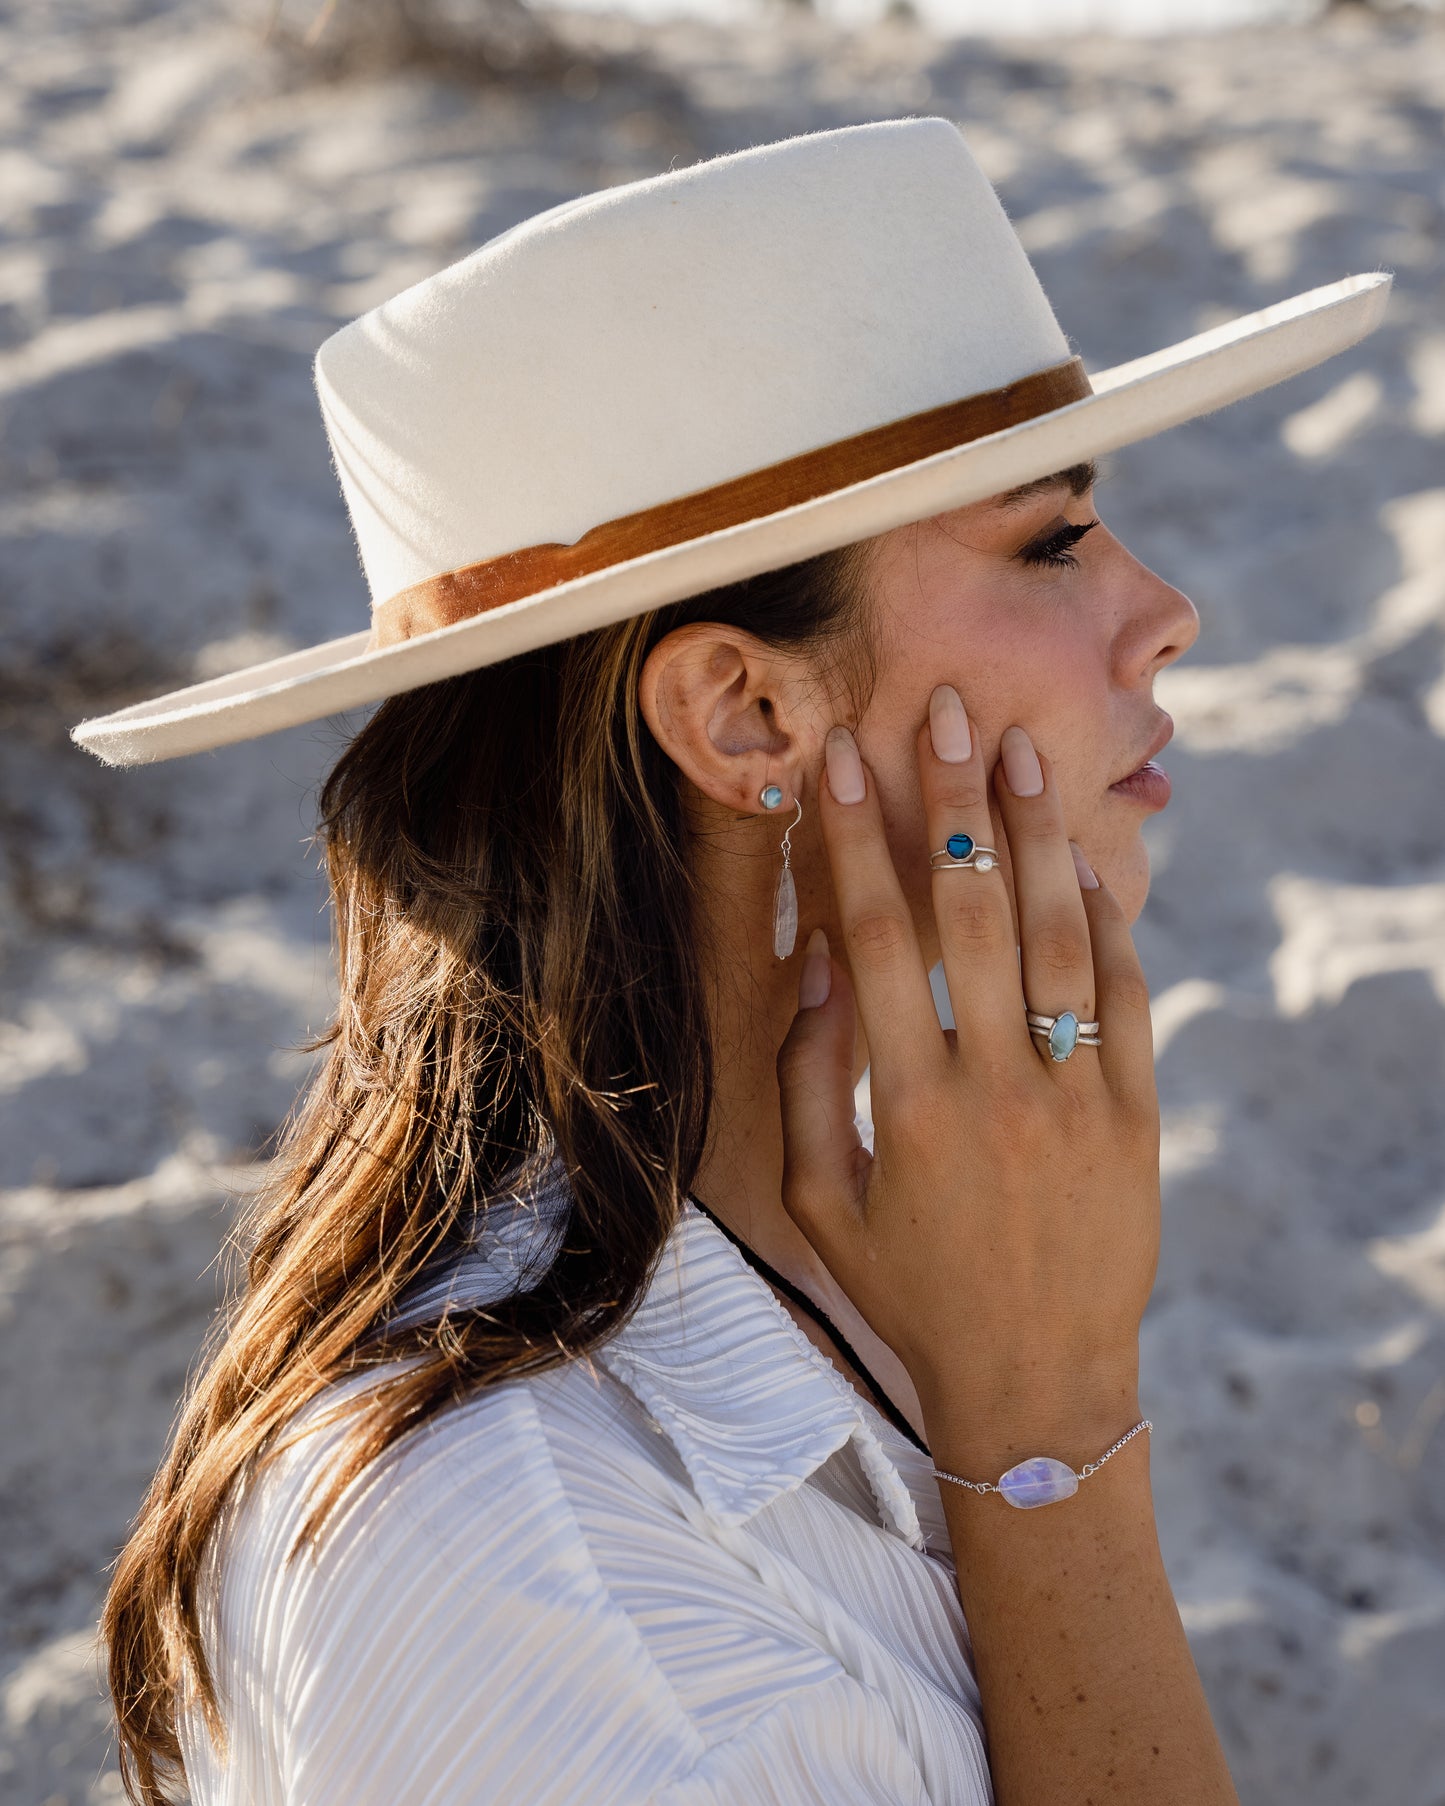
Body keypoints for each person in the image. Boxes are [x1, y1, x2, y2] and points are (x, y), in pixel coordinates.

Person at [74, 118, 1389, 1805]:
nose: (1166, 611)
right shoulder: (534, 1581)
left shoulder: (861, 1238)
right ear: (747, 712)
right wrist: (1049, 1433)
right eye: (1051, 542)